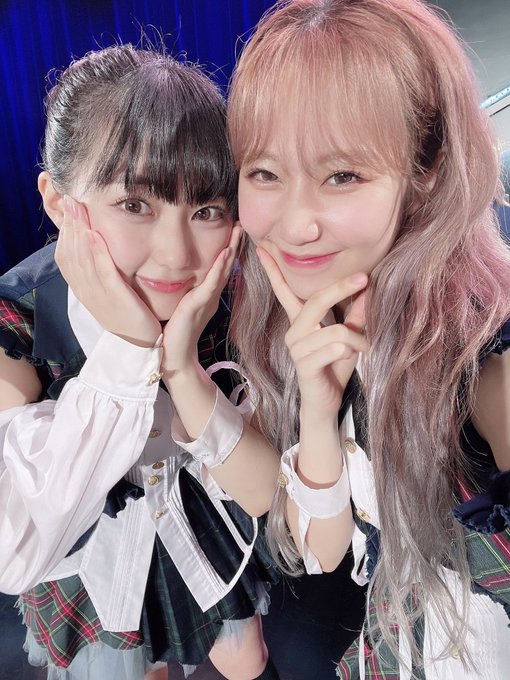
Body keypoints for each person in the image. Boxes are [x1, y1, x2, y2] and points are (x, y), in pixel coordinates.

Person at [227, 0, 510, 677]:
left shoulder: (482, 350)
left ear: (427, 169)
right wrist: (318, 412)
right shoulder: (294, 316)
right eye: (265, 173)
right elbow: (317, 552)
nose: (296, 224)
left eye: (342, 175)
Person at [0, 44, 280, 680]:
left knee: (246, 661)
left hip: (197, 514)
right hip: (91, 551)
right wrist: (128, 349)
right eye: (135, 205)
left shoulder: (233, 298)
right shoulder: (20, 314)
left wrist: (182, 369)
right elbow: (14, 546)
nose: (177, 255)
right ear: (58, 203)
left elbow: (268, 489)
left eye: (206, 211)